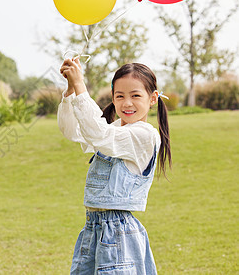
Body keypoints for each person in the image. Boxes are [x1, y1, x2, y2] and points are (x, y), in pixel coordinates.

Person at [57, 58, 172, 274]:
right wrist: (71, 91)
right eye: (120, 96)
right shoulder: (115, 130)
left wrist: (81, 85)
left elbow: (99, 134)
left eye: (135, 95)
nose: (127, 103)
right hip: (93, 229)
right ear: (113, 98)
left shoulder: (144, 136)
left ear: (153, 98)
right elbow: (72, 131)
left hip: (118, 235)